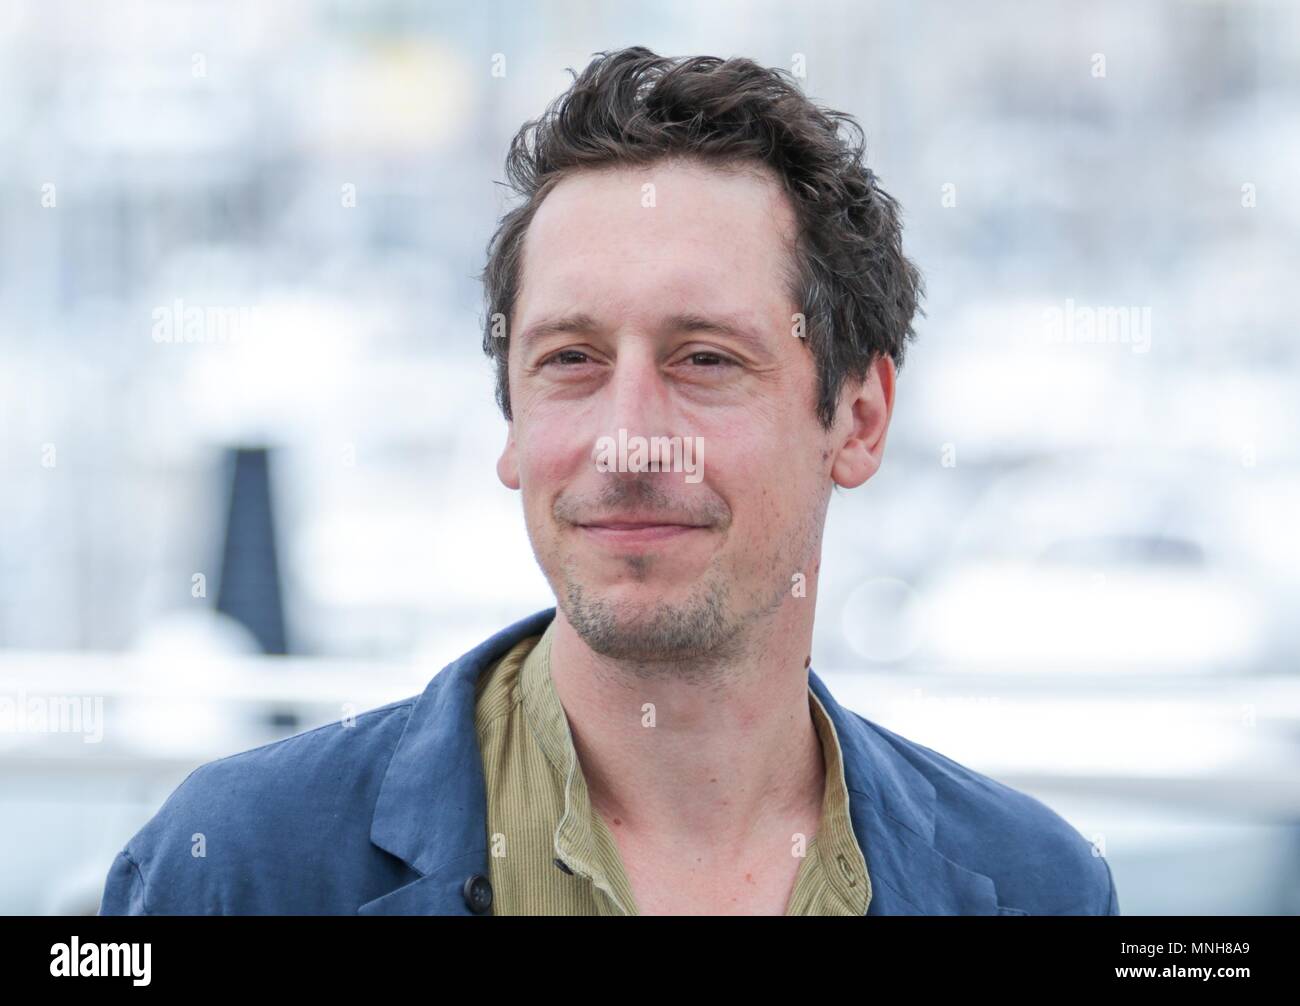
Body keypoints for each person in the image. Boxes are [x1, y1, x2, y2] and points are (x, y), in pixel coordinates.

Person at [99, 46, 1118, 916]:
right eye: (571, 360)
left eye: (705, 359)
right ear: (510, 419)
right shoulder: (239, 870)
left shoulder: (1039, 887)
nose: (628, 441)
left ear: (857, 418)